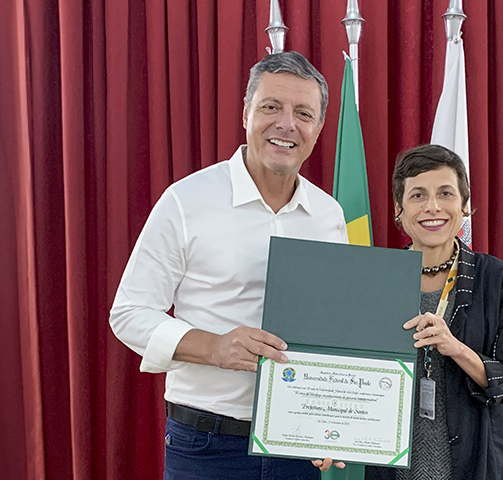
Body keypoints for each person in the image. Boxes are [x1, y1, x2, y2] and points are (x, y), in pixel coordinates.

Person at [109, 51, 348, 480]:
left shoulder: (329, 215)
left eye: (303, 113)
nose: (286, 124)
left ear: (319, 128)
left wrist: (330, 425)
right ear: (246, 114)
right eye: (271, 107)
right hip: (206, 446)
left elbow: (330, 332)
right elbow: (128, 314)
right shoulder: (186, 200)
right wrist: (214, 347)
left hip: (297, 445)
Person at [366, 144, 503, 480]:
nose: (433, 207)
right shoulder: (376, 276)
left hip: (474, 465)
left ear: (465, 205)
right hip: (391, 469)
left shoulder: (494, 278)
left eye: (445, 193)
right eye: (418, 195)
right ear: (399, 208)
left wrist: (455, 348)